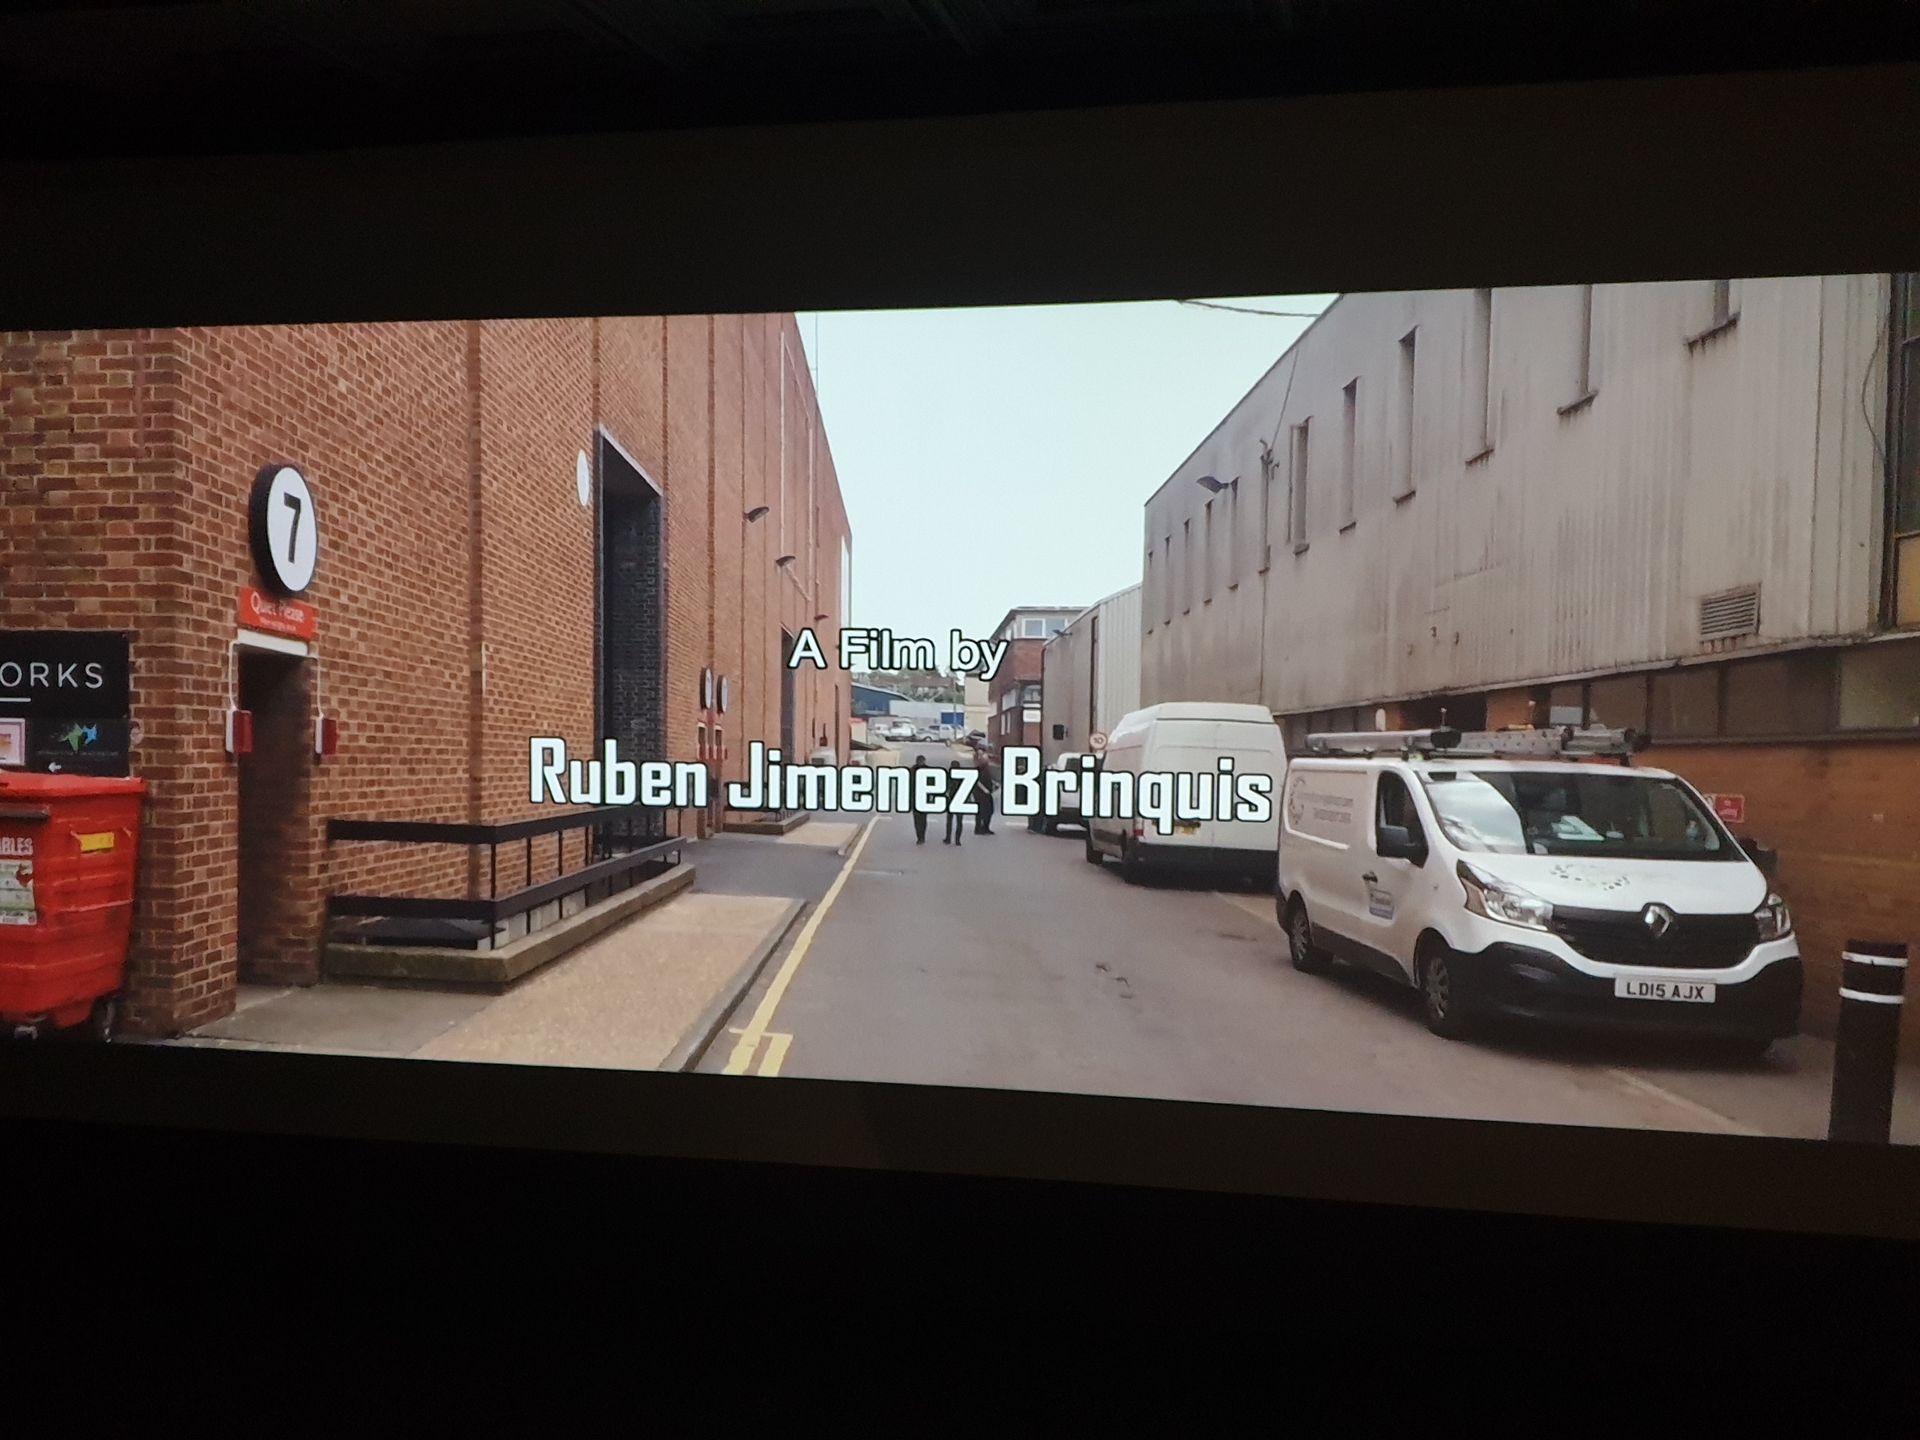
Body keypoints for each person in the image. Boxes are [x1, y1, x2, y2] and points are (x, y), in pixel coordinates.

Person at [943, 760, 965, 846]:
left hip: (950, 800)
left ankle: (948, 838)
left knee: (949, 820)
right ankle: (957, 840)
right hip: (960, 801)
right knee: (959, 821)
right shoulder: (963, 775)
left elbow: (946, 787)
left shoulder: (949, 775)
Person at [974, 757, 996, 835]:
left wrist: (994, 785)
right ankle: (978, 828)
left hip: (987, 793)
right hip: (980, 794)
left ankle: (986, 827)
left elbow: (990, 779)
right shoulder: (978, 770)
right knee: (981, 811)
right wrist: (985, 790)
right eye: (986, 762)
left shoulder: (987, 770)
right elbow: (977, 781)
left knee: (990, 811)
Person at [910, 754, 929, 844]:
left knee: (922, 819)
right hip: (916, 798)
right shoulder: (912, 770)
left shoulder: (927, 770)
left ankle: (921, 836)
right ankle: (920, 837)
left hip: (923, 798)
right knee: (918, 819)